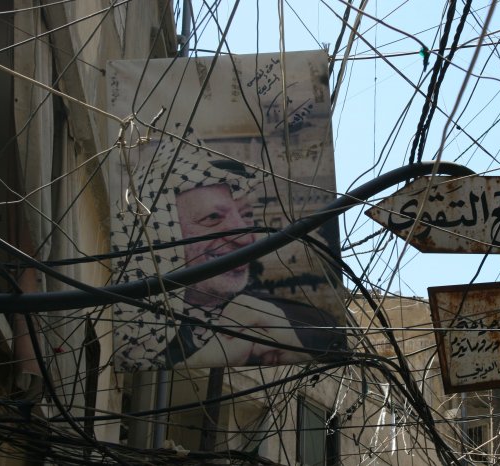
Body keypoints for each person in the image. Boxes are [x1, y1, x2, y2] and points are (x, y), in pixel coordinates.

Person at [112, 128, 343, 371]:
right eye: (213, 217)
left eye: (246, 216)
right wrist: (202, 359)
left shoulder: (312, 326)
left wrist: (293, 351)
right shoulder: (130, 332)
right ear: (160, 234)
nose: (246, 239)